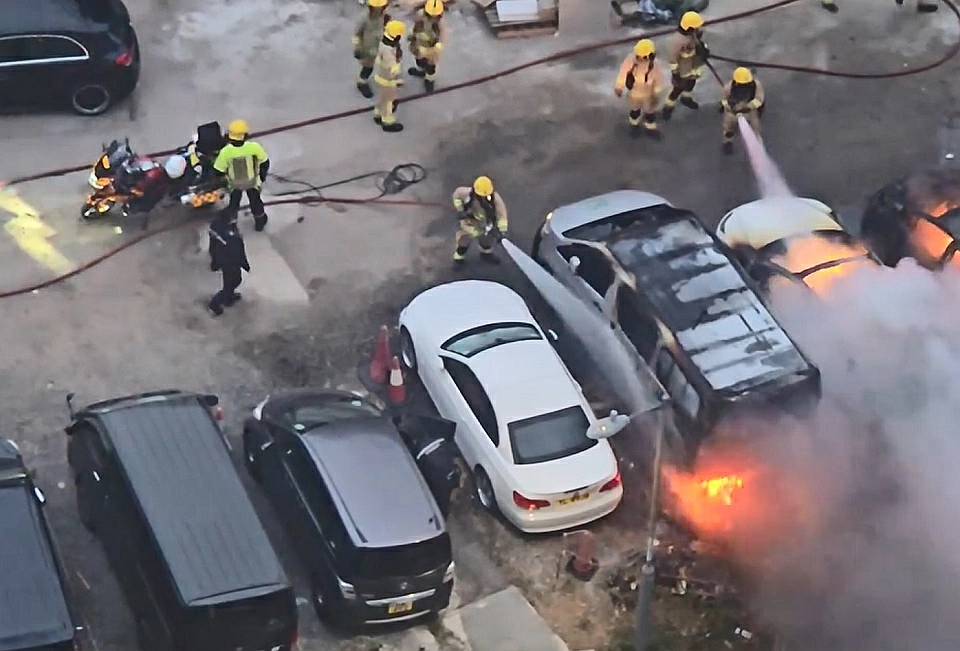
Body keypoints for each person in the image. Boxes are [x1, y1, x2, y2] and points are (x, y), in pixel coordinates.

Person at [212, 120, 271, 232]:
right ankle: (259, 222)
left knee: (234, 204)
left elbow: (218, 170)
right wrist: (261, 177)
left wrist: (223, 181)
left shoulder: (225, 152)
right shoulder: (254, 147)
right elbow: (265, 162)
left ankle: (232, 224)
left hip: (234, 184)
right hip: (252, 182)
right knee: (256, 202)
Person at [663, 11, 710, 121]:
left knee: (691, 84)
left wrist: (703, 50)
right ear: (689, 27)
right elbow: (673, 58)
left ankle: (686, 98)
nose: (699, 29)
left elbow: (698, 45)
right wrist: (675, 73)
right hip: (682, 70)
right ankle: (668, 107)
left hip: (694, 66)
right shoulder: (678, 41)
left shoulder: (693, 34)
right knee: (677, 90)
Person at [614, 38, 664, 140]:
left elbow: (658, 79)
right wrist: (619, 87)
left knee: (649, 112)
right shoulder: (629, 62)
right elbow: (623, 74)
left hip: (648, 94)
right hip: (634, 93)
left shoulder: (655, 65)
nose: (640, 59)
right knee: (635, 111)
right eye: (638, 56)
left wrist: (656, 93)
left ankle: (650, 127)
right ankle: (634, 125)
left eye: (643, 57)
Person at [451, 176, 508, 264]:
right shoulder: (465, 193)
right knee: (464, 242)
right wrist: (460, 210)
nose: (484, 198)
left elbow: (502, 216)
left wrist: (501, 231)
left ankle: (486, 253)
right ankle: (459, 257)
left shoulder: (496, 200)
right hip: (469, 224)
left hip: (486, 226)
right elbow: (456, 196)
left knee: (486, 242)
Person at [207, 211, 250, 317]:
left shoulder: (217, 227)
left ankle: (228, 297)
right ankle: (216, 302)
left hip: (225, 261)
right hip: (230, 261)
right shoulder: (231, 235)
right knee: (233, 281)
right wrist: (245, 264)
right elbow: (239, 250)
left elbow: (214, 245)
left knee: (232, 281)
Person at [720, 67, 765, 155]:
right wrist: (728, 107)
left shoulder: (756, 85)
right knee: (729, 129)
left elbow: (759, 99)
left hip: (750, 112)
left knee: (755, 128)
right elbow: (723, 99)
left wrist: (749, 107)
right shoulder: (728, 87)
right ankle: (728, 142)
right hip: (732, 113)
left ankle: (757, 144)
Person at [353, 0, 391, 99]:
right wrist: (357, 47)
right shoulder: (364, 18)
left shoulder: (386, 17)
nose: (378, 9)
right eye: (376, 8)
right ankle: (362, 82)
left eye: (381, 7)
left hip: (380, 47)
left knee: (384, 65)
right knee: (367, 67)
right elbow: (357, 34)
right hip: (367, 48)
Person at [408, 0, 448, 93]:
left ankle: (429, 80)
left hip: (431, 48)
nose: (433, 18)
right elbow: (416, 26)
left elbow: (443, 37)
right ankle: (420, 70)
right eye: (430, 16)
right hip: (419, 43)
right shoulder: (420, 14)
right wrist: (412, 34)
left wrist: (438, 46)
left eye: (435, 16)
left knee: (430, 66)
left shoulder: (441, 24)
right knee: (419, 60)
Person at [374, 20, 407, 133]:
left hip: (381, 77)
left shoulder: (384, 44)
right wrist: (398, 79)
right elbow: (393, 69)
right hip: (387, 80)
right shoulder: (388, 50)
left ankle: (378, 113)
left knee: (382, 98)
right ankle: (387, 121)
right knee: (389, 102)